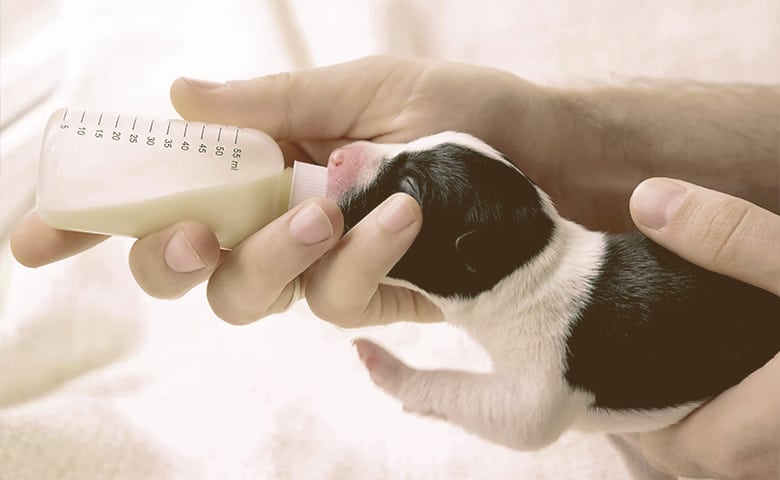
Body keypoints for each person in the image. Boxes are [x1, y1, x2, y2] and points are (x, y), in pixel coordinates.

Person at [10, 56, 779, 479]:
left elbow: (531, 419)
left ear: (469, 257)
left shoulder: (555, 330)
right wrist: (581, 136)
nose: (356, 157)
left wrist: (417, 387)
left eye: (403, 177)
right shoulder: (554, 261)